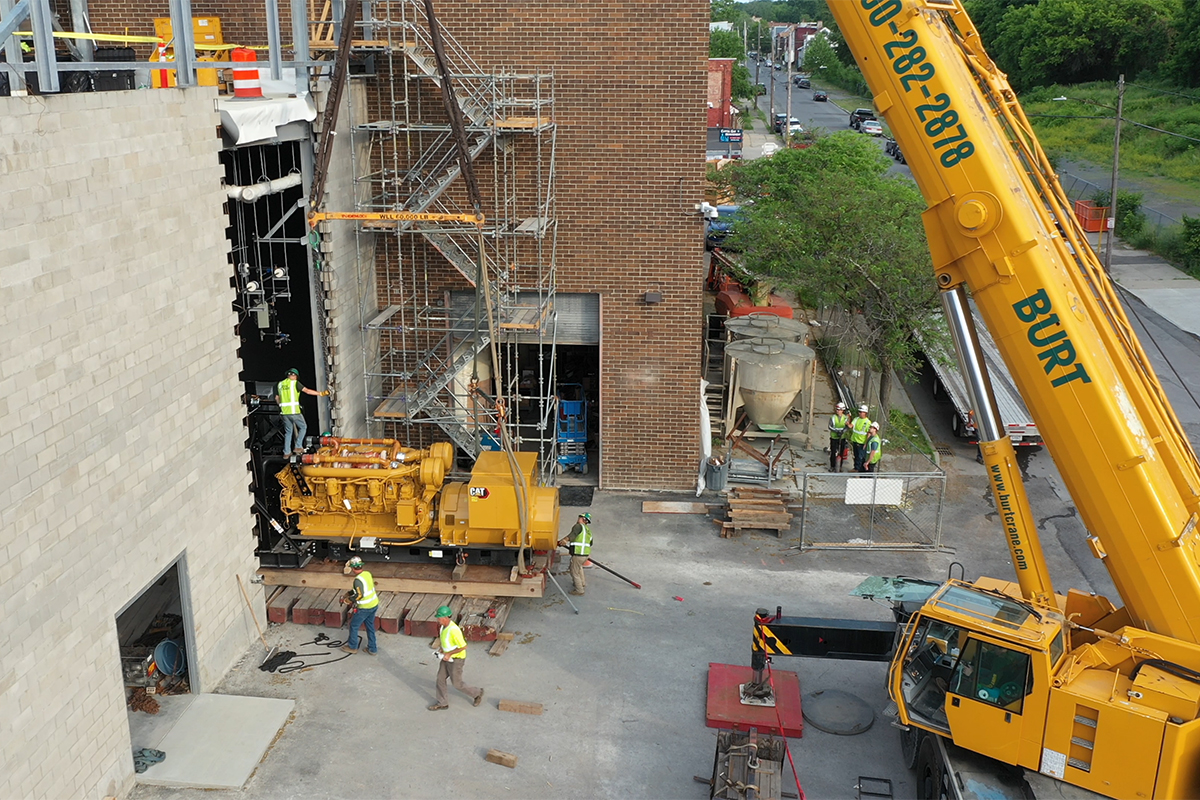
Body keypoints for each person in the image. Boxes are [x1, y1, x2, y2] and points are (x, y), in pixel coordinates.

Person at [427, 605, 483, 710]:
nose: (438, 620)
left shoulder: (454, 630)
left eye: (439, 618)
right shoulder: (443, 627)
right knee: (440, 679)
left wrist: (449, 654)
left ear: (445, 618)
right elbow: (447, 642)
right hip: (446, 658)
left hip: (456, 660)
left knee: (457, 684)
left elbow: (463, 646)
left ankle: (477, 693)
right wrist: (442, 650)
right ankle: (442, 703)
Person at [276, 368, 329, 455]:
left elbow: (277, 398)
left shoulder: (280, 384)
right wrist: (321, 393)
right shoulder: (294, 383)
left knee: (288, 432)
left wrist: (281, 406)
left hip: (284, 413)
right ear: (295, 376)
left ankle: (286, 452)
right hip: (294, 412)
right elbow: (307, 391)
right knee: (303, 427)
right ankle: (298, 446)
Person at [340, 557, 379, 655]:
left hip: (364, 608)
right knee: (370, 626)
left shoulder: (357, 580)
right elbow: (361, 589)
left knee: (353, 626)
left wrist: (347, 600)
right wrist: (348, 593)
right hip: (373, 605)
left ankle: (352, 647)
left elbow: (359, 595)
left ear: (353, 568)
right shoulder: (367, 574)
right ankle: (372, 649)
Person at [557, 512, 592, 596]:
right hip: (585, 554)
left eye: (580, 517)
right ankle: (582, 583)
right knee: (579, 567)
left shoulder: (578, 526)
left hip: (578, 554)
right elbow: (590, 543)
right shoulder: (587, 530)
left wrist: (565, 540)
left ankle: (579, 590)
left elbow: (572, 535)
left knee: (574, 572)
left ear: (584, 519)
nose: (578, 518)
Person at [849, 404, 872, 472]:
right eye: (859, 412)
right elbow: (851, 426)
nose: (859, 413)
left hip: (862, 442)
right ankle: (856, 468)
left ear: (865, 413)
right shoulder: (856, 419)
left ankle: (859, 469)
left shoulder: (868, 422)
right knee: (856, 455)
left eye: (861, 412)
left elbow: (868, 434)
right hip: (855, 440)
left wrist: (866, 443)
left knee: (860, 457)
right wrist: (848, 421)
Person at [828, 402, 850, 472]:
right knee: (833, 452)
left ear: (842, 410)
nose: (837, 411)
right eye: (837, 409)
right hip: (834, 437)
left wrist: (842, 431)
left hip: (842, 437)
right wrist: (836, 431)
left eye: (839, 410)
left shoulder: (845, 418)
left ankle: (839, 466)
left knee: (841, 452)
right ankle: (832, 466)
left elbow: (847, 427)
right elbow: (830, 426)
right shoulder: (833, 417)